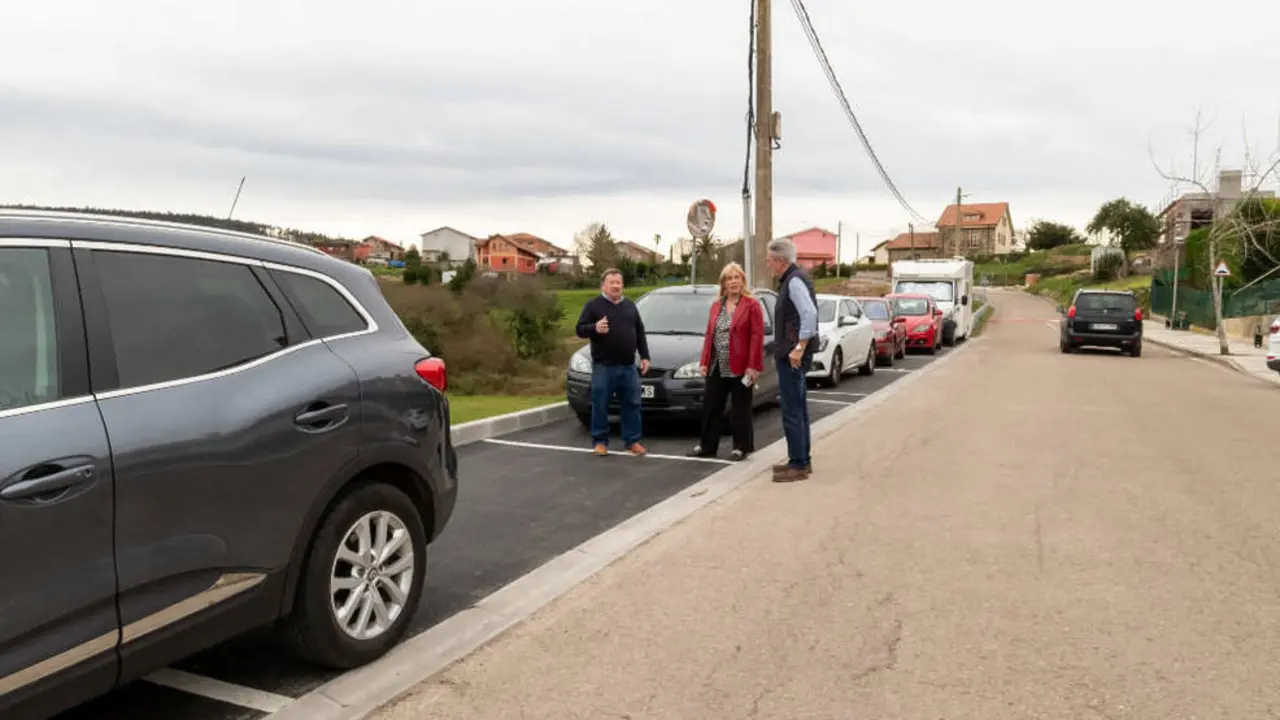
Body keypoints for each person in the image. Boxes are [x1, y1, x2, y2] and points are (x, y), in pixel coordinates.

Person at [688, 262, 764, 461]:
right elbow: (709, 334)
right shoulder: (716, 306)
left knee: (740, 408)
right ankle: (707, 446)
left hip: (740, 365)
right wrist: (704, 361)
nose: (733, 282)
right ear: (723, 283)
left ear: (742, 280)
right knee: (712, 406)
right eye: (729, 279)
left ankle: (741, 446)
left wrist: (753, 366)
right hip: (716, 364)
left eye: (736, 278)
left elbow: (757, 336)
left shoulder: (752, 305)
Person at [575, 268, 650, 456]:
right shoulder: (593, 306)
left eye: (619, 283)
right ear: (603, 285)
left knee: (632, 404)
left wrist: (645, 356)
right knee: (600, 404)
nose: (616, 286)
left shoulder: (630, 306)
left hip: (628, 366)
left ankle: (633, 441)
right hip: (604, 366)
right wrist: (595, 328)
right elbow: (580, 329)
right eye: (612, 283)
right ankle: (600, 442)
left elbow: (640, 332)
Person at [765, 239, 818, 482]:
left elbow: (809, 313)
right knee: (799, 408)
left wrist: (799, 348)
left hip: (792, 355)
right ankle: (802, 460)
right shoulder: (794, 279)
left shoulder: (794, 281)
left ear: (780, 261)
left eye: (769, 260)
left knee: (792, 409)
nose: (768, 264)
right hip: (792, 352)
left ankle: (797, 464)